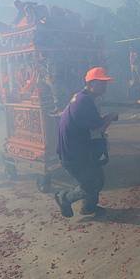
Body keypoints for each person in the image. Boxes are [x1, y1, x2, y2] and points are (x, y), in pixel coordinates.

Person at [55, 67, 118, 218]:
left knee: (98, 178)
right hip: (73, 153)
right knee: (90, 184)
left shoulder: (82, 97)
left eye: (105, 83)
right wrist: (111, 116)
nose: (105, 86)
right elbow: (98, 128)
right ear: (91, 84)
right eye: (102, 83)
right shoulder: (84, 102)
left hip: (80, 149)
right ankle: (64, 198)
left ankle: (89, 208)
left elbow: (92, 124)